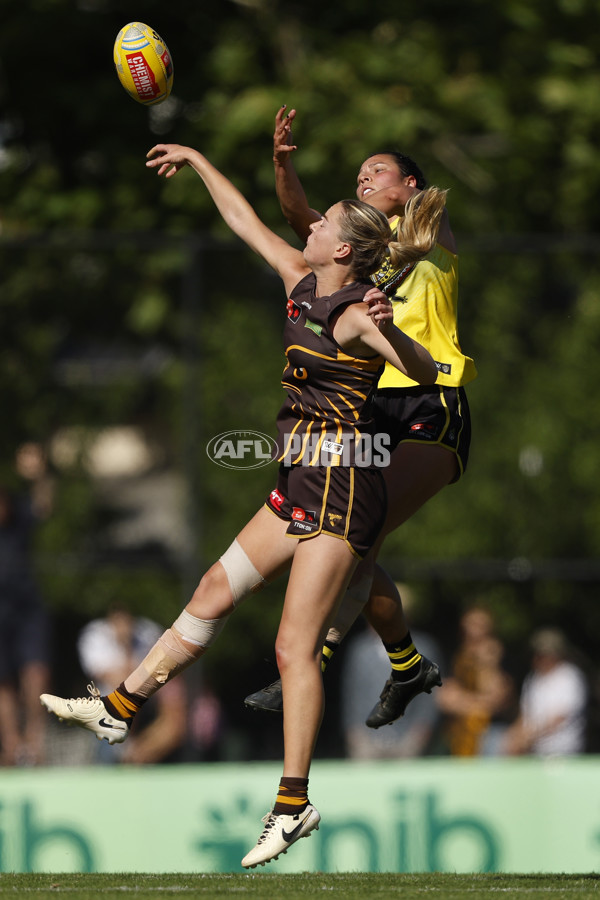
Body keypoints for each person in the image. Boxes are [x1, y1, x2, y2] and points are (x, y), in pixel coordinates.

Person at [40, 140, 443, 868]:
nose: (307, 228)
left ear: (345, 251)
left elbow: (424, 368)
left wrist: (396, 329)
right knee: (212, 592)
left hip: (342, 489)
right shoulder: (300, 278)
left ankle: (293, 803)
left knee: (294, 646)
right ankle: (119, 709)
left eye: (322, 227)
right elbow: (242, 219)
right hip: (297, 481)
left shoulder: (355, 312)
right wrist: (196, 159)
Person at [245, 106, 477, 726]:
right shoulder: (363, 255)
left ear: (411, 188)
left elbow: (424, 208)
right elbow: (302, 218)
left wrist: (401, 200)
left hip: (433, 402)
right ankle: (404, 665)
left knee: (360, 540)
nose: (365, 176)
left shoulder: (431, 237)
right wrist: (281, 164)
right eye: (360, 172)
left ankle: (317, 658)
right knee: (352, 542)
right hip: (372, 407)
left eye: (380, 171)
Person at [77, 606, 188, 764]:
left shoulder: (148, 633)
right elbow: (120, 680)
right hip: (113, 707)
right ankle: (131, 754)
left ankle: (136, 754)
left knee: (173, 715)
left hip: (147, 703)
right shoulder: (94, 636)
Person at [0, 443, 54, 767]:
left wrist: (40, 475)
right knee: (2, 681)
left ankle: (35, 742)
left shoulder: (20, 514)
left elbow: (44, 503)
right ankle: (10, 743)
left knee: (36, 671)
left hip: (26, 605)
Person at [435, 606, 515, 756]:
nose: (472, 632)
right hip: (459, 734)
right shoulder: (460, 657)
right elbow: (445, 698)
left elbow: (496, 701)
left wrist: (487, 665)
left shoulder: (496, 656)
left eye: (478, 627)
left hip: (489, 734)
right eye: (468, 627)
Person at [502, 628, 588, 757]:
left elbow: (559, 718)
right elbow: (526, 714)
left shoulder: (570, 677)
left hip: (564, 752)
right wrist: (514, 735)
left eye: (543, 654)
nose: (538, 658)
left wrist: (529, 736)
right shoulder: (533, 678)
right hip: (535, 751)